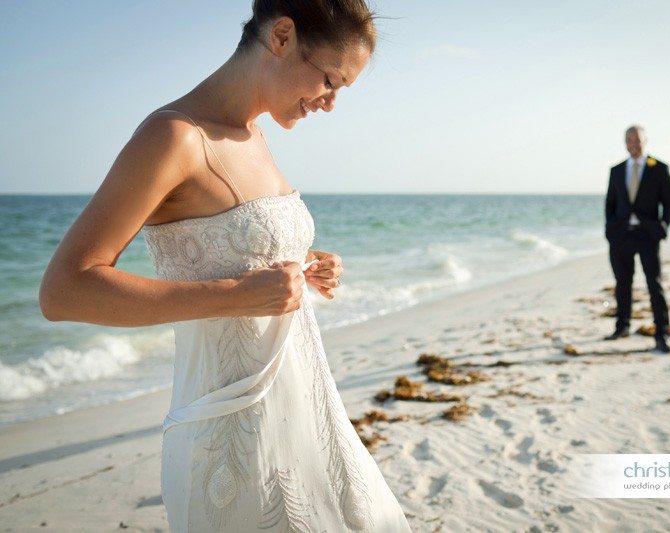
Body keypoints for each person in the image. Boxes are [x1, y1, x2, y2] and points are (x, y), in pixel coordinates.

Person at [38, 1, 412, 531]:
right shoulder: (173, 136)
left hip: (306, 410)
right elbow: (63, 292)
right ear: (282, 35)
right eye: (330, 80)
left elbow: (232, 247)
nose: (329, 104)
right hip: (229, 432)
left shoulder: (253, 133)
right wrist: (237, 293)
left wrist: (305, 266)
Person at [603, 125, 670, 353]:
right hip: (621, 235)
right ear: (625, 142)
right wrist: (610, 229)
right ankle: (622, 326)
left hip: (648, 235)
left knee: (654, 284)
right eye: (629, 141)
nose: (633, 145)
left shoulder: (659, 168)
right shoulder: (616, 170)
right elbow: (610, 203)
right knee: (622, 283)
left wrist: (663, 226)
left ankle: (661, 333)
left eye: (637, 141)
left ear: (646, 141)